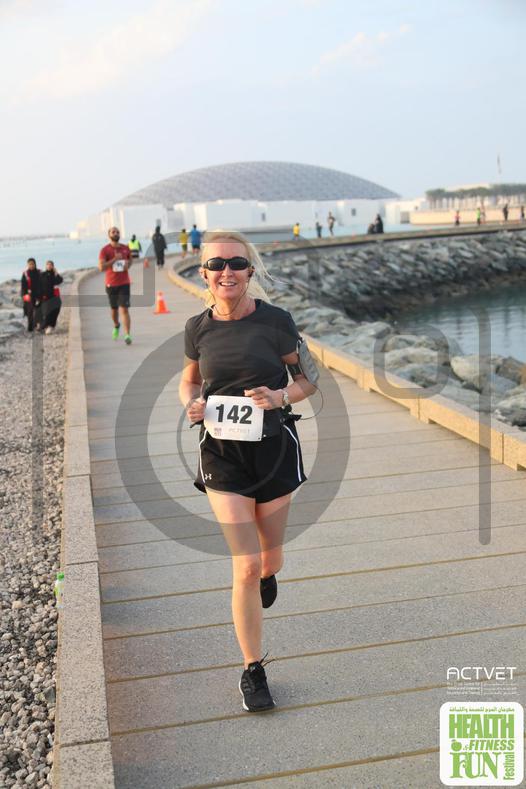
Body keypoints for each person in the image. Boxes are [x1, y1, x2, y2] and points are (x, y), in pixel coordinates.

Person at [179, 230, 315, 713]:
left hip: (274, 449)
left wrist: (279, 396)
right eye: (216, 264)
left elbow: (307, 380)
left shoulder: (276, 321)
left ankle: (268, 575)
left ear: (249, 271)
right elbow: (189, 382)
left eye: (236, 263)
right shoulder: (197, 328)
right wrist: (192, 404)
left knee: (269, 562)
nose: (227, 272)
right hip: (222, 454)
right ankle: (253, 669)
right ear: (204, 274)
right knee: (246, 565)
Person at [98, 226, 133, 344]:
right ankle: (116, 325)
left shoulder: (125, 248)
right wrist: (114, 259)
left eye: (117, 232)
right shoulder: (105, 250)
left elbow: (130, 260)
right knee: (114, 310)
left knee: (124, 309)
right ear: (109, 235)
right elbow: (101, 267)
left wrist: (128, 265)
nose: (116, 233)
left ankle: (127, 335)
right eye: (113, 232)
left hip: (124, 283)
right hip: (111, 284)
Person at [40, 260, 63, 334]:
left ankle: (51, 326)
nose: (49, 266)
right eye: (48, 264)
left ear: (53, 266)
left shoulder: (55, 275)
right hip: (46, 296)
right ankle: (46, 326)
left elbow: (60, 281)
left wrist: (56, 273)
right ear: (46, 266)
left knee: (56, 310)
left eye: (51, 265)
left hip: (55, 296)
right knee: (47, 312)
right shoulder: (42, 274)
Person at [21, 258, 42, 333]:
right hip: (28, 295)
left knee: (38, 311)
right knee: (29, 311)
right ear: (27, 265)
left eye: (32, 264)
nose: (31, 265)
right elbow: (23, 286)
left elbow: (43, 283)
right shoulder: (25, 273)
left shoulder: (39, 272)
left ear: (35, 264)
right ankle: (30, 328)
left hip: (38, 295)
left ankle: (38, 326)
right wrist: (24, 295)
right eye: (30, 264)